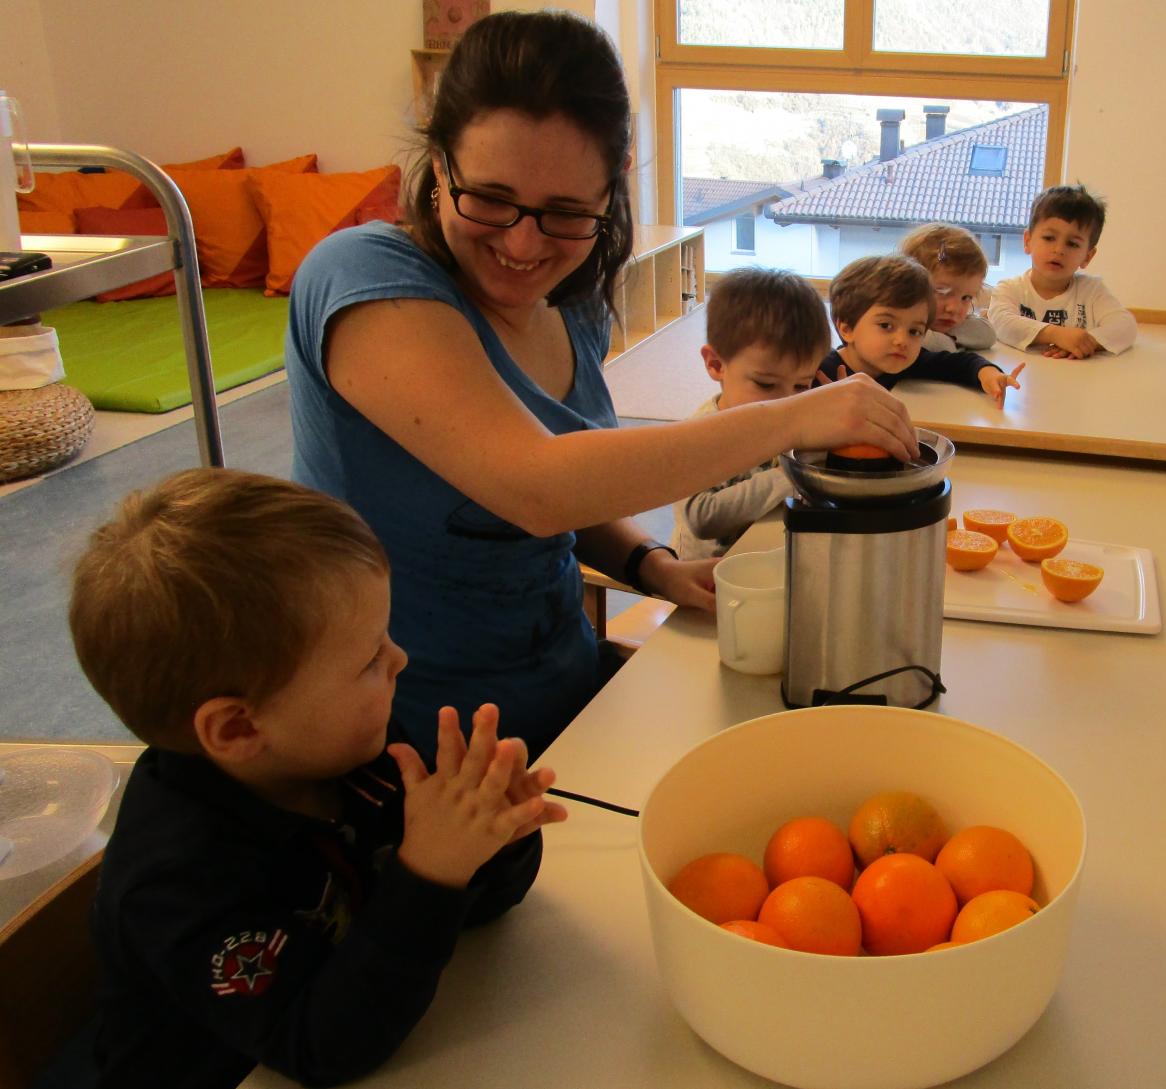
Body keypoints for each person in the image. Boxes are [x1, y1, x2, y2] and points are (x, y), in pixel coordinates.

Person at [284, 9, 918, 761]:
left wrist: (651, 565)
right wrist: (796, 416)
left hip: (565, 699)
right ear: (438, 160)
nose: (522, 244)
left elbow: (568, 493)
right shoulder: (360, 278)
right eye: (488, 197)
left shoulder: (573, 299)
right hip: (411, 748)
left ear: (610, 189)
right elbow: (536, 486)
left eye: (565, 212)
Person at [65, 468, 567, 1089]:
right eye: (368, 659)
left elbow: (470, 914)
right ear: (238, 730)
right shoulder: (176, 880)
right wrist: (431, 870)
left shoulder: (350, 751)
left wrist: (492, 839)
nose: (400, 659)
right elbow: (321, 1046)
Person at [671, 267, 829, 561]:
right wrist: (790, 478)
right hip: (708, 581)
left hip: (766, 556)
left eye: (801, 385)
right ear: (716, 364)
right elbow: (702, 516)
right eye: (765, 384)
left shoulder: (791, 415)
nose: (785, 401)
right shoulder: (701, 434)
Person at [819, 255, 1023, 407]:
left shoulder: (902, 361)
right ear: (846, 329)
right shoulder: (819, 373)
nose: (902, 340)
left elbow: (958, 364)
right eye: (886, 326)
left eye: (914, 331)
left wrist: (988, 374)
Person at [989, 184, 1137, 358]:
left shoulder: (1092, 290)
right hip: (1024, 378)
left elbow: (1126, 325)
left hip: (1077, 378)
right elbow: (1000, 321)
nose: (1059, 249)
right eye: (1049, 238)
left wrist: (1086, 342)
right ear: (1028, 241)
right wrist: (1054, 334)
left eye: (1072, 244)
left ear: (1087, 256)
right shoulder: (1009, 288)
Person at [897, 223, 996, 352]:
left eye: (966, 297)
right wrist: (949, 341)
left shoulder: (946, 321)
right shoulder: (893, 327)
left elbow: (987, 334)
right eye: (942, 291)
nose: (953, 308)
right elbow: (944, 347)